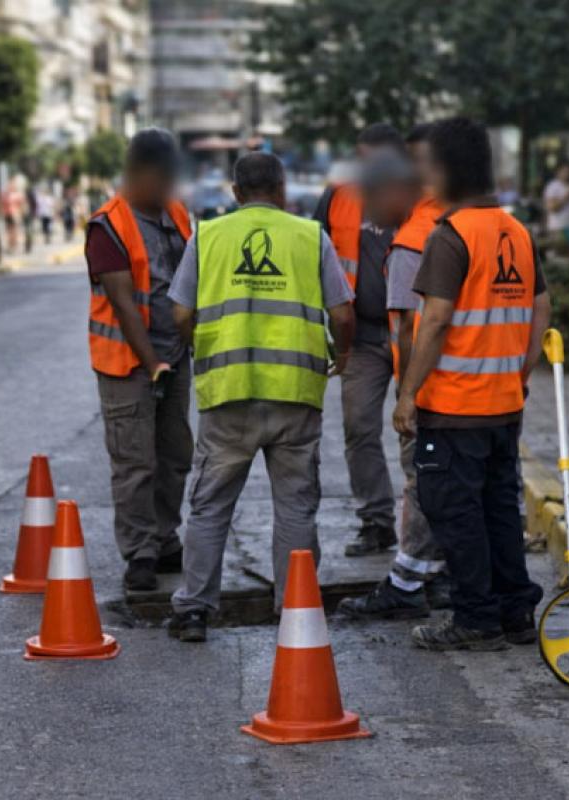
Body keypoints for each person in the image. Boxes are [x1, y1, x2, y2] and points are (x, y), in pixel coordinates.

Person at [165, 152, 355, 642]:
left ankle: (194, 610)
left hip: (228, 392)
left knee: (210, 505)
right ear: (282, 188)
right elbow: (342, 313)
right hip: (295, 392)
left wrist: (200, 345)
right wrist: (343, 354)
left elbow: (180, 313)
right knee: (295, 507)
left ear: (235, 192)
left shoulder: (208, 236)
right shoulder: (310, 236)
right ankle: (295, 608)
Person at [391, 117, 550, 651]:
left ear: (449, 172)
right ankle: (514, 613)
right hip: (504, 407)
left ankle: (476, 620)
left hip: (454, 408)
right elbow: (542, 307)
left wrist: (408, 394)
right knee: (499, 510)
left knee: (455, 513)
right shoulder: (516, 230)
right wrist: (519, 373)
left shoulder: (451, 235)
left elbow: (433, 321)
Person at [340, 145, 454, 621]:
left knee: (421, 475)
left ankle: (409, 582)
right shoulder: (465, 220)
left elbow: (412, 327)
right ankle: (448, 575)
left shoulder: (412, 239)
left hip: (432, 386)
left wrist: (407, 395)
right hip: (476, 390)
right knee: (458, 481)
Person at [85, 128, 195, 592]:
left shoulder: (177, 213)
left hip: (175, 355)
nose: (169, 186)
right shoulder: (107, 226)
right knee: (135, 462)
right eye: (163, 177)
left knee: (175, 455)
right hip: (128, 364)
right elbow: (125, 304)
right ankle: (140, 553)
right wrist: (153, 364)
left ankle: (166, 539)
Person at [313, 123, 404, 558]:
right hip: (362, 336)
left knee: (420, 433)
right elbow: (315, 251)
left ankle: (429, 529)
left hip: (414, 336)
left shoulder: (422, 199)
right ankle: (376, 522)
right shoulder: (339, 195)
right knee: (360, 429)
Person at [543, 162, 569, 248]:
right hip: (558, 227)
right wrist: (567, 195)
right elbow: (551, 207)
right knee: (560, 251)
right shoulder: (553, 186)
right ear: (558, 172)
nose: (568, 174)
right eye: (565, 171)